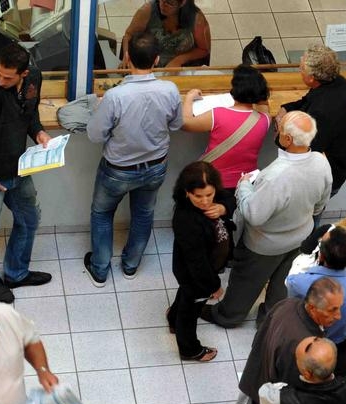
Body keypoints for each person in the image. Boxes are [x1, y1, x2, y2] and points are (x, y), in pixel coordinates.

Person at [201, 111, 332, 328]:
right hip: (301, 237)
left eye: (279, 129)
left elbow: (254, 215)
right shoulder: (321, 161)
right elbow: (320, 205)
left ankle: (229, 316)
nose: (276, 130)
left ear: (287, 140)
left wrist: (244, 186)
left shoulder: (276, 176)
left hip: (265, 245)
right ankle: (270, 318)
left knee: (246, 282)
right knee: (281, 284)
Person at [84, 32, 183, 287]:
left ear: (127, 58)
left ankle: (100, 269)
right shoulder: (170, 90)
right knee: (143, 215)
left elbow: (95, 135)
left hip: (117, 170)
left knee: (102, 214)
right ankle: (130, 265)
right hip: (155, 167)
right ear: (157, 59)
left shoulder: (117, 96)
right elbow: (176, 124)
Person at [0, 42, 53, 304]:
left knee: (29, 219)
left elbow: (30, 112)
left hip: (20, 167)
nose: (1, 79)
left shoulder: (33, 79)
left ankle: (16, 273)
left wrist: (38, 131)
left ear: (24, 73)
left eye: (8, 76)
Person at [166, 161, 235, 362]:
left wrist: (222, 208)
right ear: (187, 192)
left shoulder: (215, 196)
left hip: (202, 271)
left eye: (209, 195)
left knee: (185, 297)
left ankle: (172, 318)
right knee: (190, 311)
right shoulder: (185, 219)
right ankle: (189, 350)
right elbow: (197, 262)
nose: (205, 201)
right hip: (197, 275)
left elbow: (231, 198)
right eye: (198, 196)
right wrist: (213, 286)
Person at [238, 277, 344, 404]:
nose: (339, 316)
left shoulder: (287, 303)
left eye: (339, 308)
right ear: (312, 308)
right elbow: (293, 390)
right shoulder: (304, 347)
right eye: (332, 310)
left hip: (256, 376)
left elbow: (259, 337)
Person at [286, 226, 346, 377]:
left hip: (305, 343)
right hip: (340, 345)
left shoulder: (298, 283)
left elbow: (290, 303)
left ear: (321, 257)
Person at [276, 45, 346, 197]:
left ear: (312, 77)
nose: (299, 71)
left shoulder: (322, 111)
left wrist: (283, 130)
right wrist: (286, 108)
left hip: (321, 180)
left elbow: (306, 147)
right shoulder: (336, 82)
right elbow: (307, 101)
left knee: (307, 218)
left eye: (301, 69)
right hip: (330, 171)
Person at [182, 64, 271, 192]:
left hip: (212, 182)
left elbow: (185, 123)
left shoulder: (217, 114)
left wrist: (189, 97)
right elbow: (264, 102)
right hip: (245, 183)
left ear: (234, 90)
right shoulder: (265, 120)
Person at [258, 336, 346, 404]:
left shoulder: (280, 397)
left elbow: (263, 391)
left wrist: (279, 386)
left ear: (308, 374)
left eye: (297, 358)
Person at [121, 0, 210, 68]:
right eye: (161, 0)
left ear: (183, 2)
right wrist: (127, 55)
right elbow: (129, 35)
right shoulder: (147, 10)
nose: (163, 5)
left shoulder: (196, 18)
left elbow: (204, 49)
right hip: (149, 66)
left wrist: (180, 60)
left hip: (183, 68)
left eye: (170, 2)